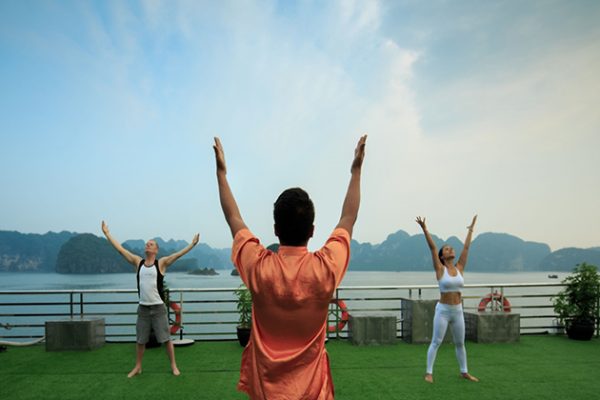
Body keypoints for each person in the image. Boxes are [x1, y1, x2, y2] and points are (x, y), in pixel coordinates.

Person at [213, 135, 367, 399]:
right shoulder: (326, 268)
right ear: (312, 230)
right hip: (313, 393)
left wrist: (221, 174)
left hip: (267, 392)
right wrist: (356, 170)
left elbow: (233, 218)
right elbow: (348, 218)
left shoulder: (259, 267)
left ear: (275, 229)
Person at [101, 221, 199, 378]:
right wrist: (107, 234)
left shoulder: (161, 263)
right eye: (147, 244)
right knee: (140, 340)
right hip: (143, 309)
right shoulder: (137, 262)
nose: (147, 245)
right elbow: (120, 250)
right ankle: (138, 367)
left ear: (156, 249)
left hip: (159, 308)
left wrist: (192, 245)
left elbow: (177, 255)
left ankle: (174, 365)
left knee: (166, 339)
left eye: (151, 244)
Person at [416, 215, 479, 383]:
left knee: (460, 343)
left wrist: (471, 229)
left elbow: (466, 248)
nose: (451, 250)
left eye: (451, 248)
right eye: (447, 249)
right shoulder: (439, 269)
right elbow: (432, 248)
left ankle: (464, 372)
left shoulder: (460, 268)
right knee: (436, 342)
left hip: (457, 311)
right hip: (443, 311)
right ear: (442, 257)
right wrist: (425, 229)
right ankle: (429, 373)